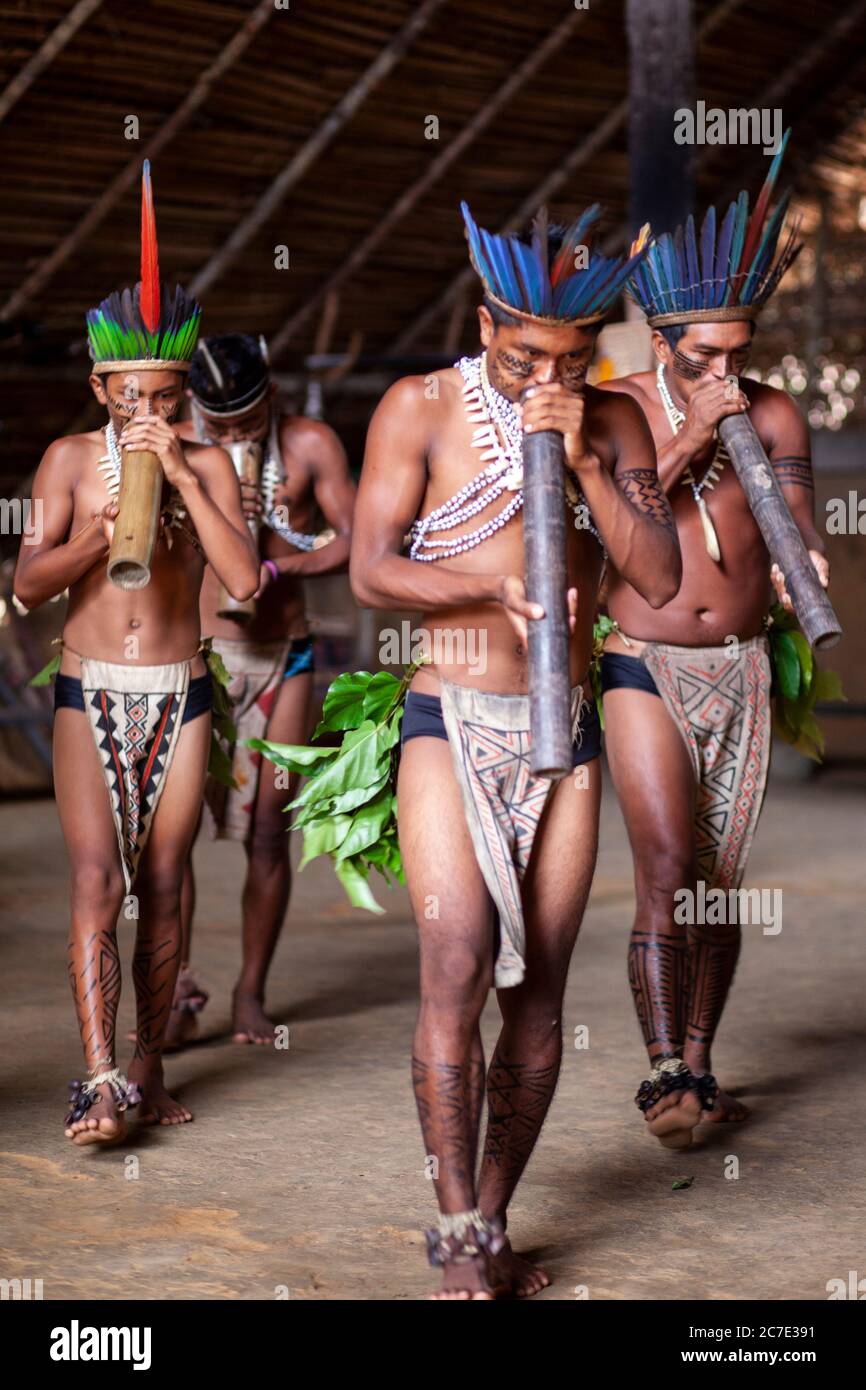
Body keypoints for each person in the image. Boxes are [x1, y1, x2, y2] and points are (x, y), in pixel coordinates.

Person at [350, 201, 681, 1297]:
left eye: (573, 355)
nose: (546, 369)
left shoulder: (612, 420)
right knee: (452, 963)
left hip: (564, 727)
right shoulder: (419, 407)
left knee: (535, 989)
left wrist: (581, 459)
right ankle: (452, 1230)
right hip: (448, 713)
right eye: (525, 349)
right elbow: (369, 568)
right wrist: (482, 587)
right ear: (484, 315)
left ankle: (491, 1223)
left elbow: (659, 577)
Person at [13, 163, 258, 1144]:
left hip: (182, 688)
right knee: (95, 883)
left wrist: (189, 479)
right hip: (90, 686)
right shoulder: (70, 460)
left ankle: (148, 1071)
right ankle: (99, 1078)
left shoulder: (205, 462)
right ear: (98, 386)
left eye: (162, 393)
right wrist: (96, 530)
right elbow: (26, 583)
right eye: (128, 393)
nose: (143, 408)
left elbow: (244, 579)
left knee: (164, 880)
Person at [598, 134, 829, 1149]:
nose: (727, 371)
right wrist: (692, 426)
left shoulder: (774, 412)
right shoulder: (613, 414)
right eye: (705, 357)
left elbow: (795, 520)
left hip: (737, 663)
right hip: (639, 660)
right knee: (659, 863)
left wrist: (799, 563)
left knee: (714, 880)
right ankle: (657, 1076)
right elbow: (623, 516)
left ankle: (697, 1058)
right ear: (662, 342)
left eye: (739, 353)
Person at [159, 333, 355, 1047]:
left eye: (246, 422)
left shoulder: (309, 445)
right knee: (172, 837)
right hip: (199, 657)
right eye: (221, 424)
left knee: (271, 832)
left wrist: (280, 568)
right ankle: (174, 989)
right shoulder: (180, 445)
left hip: (284, 657)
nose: (235, 434)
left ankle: (250, 994)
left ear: (269, 396)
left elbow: (358, 541)